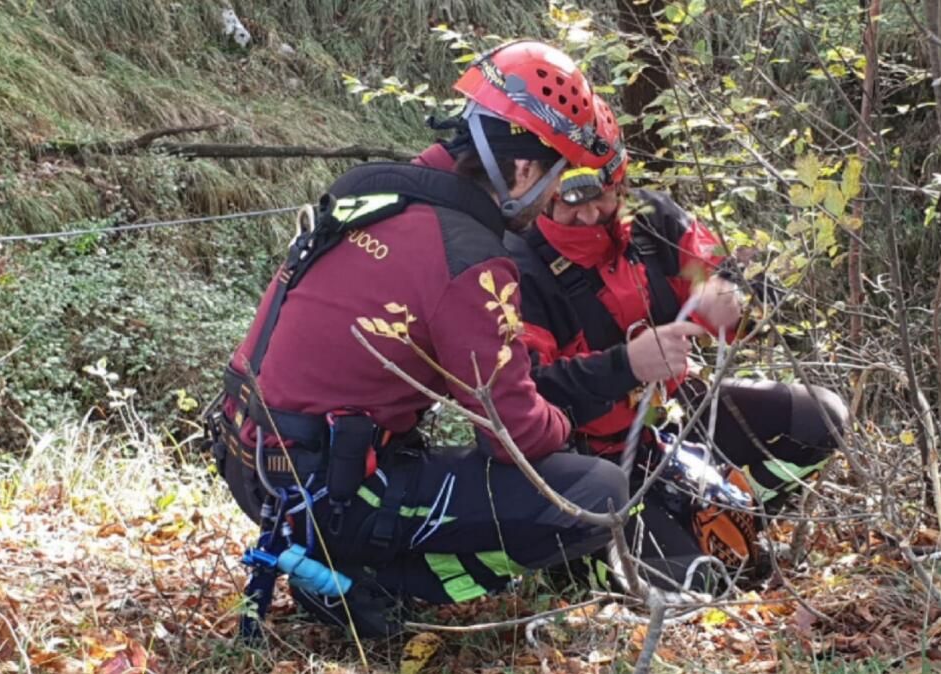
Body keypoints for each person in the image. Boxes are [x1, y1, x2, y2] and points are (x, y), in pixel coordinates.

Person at [208, 41, 628, 638]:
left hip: (248, 456)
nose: (550, 201)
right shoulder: (471, 259)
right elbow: (515, 434)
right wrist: (567, 424)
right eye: (558, 177)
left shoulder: (375, 190)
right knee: (599, 491)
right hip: (328, 493)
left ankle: (334, 557)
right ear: (528, 170)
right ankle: (365, 584)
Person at [506, 94, 849, 589]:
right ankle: (582, 558)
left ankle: (730, 508)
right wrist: (626, 365)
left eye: (599, 195)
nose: (587, 215)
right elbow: (522, 395)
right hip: (590, 464)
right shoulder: (518, 266)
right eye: (563, 197)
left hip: (675, 420)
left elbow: (734, 278)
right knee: (694, 585)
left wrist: (735, 301)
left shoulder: (651, 220)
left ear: (619, 178)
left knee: (822, 418)